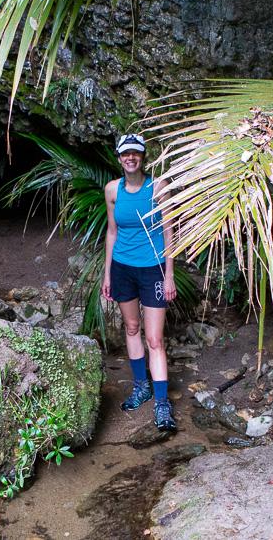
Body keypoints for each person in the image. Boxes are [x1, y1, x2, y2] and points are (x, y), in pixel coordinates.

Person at [102, 133, 177, 431]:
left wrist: (169, 274)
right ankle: (141, 387)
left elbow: (171, 231)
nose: (130, 158)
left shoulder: (158, 187)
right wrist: (108, 273)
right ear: (119, 159)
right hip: (122, 267)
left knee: (155, 338)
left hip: (153, 268)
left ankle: (162, 404)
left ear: (143, 157)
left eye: (135, 153)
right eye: (125, 154)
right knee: (131, 327)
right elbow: (112, 232)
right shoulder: (112, 190)